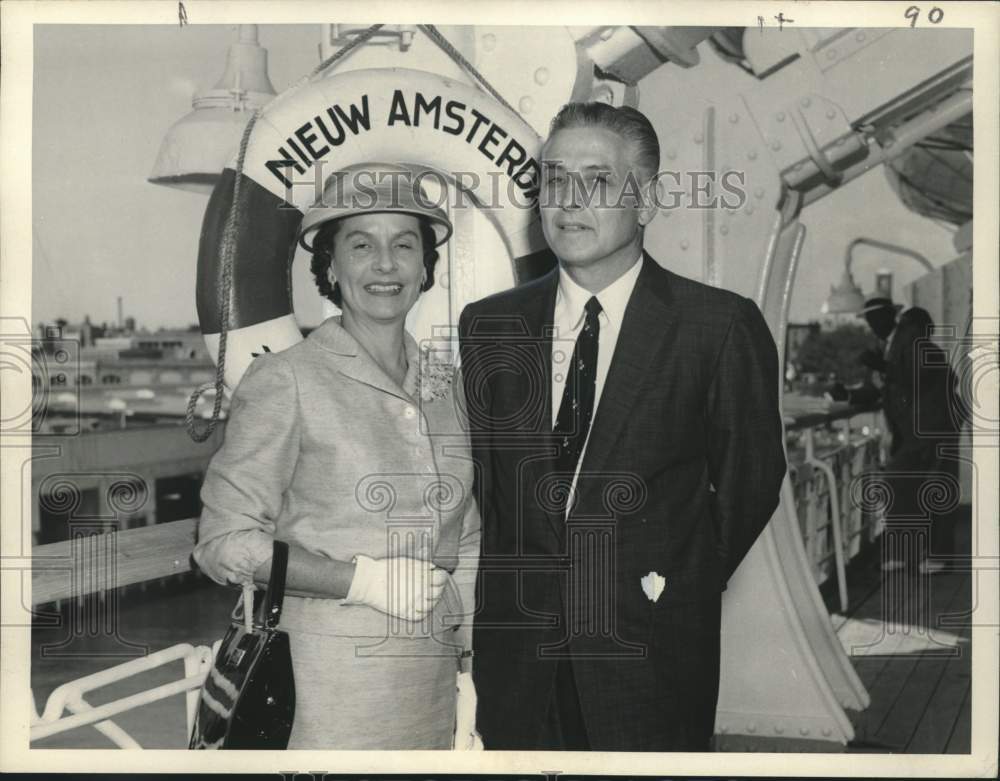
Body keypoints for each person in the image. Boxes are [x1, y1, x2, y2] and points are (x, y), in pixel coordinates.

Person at [458, 103, 786, 751]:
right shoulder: (489, 325)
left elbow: (752, 484)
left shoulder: (716, 327)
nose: (569, 199)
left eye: (598, 181)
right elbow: (493, 493)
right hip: (518, 664)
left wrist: (672, 576)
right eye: (554, 178)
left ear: (648, 200)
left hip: (650, 651)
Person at [193, 163, 481, 750]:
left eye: (404, 244)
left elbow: (466, 533)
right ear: (328, 265)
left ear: (426, 265)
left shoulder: (446, 387)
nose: (384, 264)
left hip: (429, 689)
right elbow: (223, 543)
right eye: (360, 245)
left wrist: (470, 646)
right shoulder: (287, 380)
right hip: (319, 699)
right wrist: (359, 581)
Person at [843, 299, 964, 573]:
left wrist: (884, 367)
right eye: (869, 320)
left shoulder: (908, 337)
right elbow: (889, 388)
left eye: (877, 318)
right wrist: (848, 395)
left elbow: (921, 373)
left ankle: (937, 556)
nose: (873, 325)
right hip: (916, 430)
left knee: (926, 486)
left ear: (891, 316)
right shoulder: (890, 345)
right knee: (904, 484)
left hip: (934, 425)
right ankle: (905, 553)